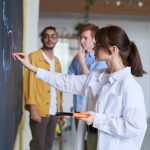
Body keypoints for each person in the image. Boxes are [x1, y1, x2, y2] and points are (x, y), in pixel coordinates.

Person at [14, 25, 147, 150]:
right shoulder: (96, 77)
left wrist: (98, 119)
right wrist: (33, 68)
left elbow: (134, 127)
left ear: (113, 49)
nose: (94, 48)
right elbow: (65, 81)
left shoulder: (129, 86)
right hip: (91, 140)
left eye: (98, 45)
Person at [23, 26, 63, 150]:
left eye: (53, 36)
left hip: (53, 111)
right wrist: (32, 107)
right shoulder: (34, 57)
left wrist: (60, 108)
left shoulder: (57, 61)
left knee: (48, 145)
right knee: (37, 146)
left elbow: (59, 85)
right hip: (39, 109)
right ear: (42, 39)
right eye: (46, 36)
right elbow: (28, 83)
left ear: (57, 40)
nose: (50, 39)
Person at [68, 23, 107, 150]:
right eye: (81, 38)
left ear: (94, 40)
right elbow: (70, 80)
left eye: (85, 38)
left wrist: (81, 61)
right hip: (78, 108)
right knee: (80, 144)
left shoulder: (100, 59)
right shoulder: (78, 57)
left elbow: (91, 83)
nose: (81, 41)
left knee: (92, 143)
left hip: (93, 110)